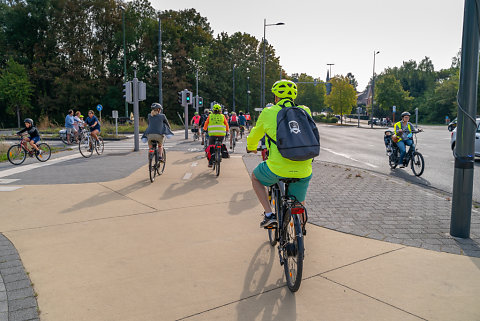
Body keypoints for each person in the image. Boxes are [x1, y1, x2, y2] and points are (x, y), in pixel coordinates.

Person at [247, 79, 313, 228]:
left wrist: (251, 147)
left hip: (276, 168)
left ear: (276, 97)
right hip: (304, 168)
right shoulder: (305, 111)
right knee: (298, 201)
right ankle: (300, 229)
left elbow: (255, 134)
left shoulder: (268, 112)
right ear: (293, 97)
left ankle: (269, 215)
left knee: (255, 177)